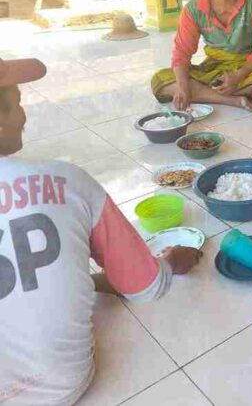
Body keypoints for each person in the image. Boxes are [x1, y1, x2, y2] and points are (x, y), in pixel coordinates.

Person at [0, 58, 202, 405]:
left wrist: (85, 279)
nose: (24, 115)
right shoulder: (67, 182)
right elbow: (148, 287)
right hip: (61, 384)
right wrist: (168, 262)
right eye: (18, 103)